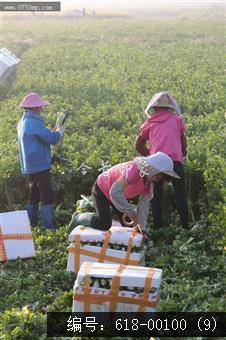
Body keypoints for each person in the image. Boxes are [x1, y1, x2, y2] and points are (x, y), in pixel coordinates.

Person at [134, 91, 189, 229]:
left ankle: (158, 227)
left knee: (156, 196)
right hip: (175, 162)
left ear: (154, 108)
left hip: (157, 164)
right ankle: (185, 226)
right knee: (180, 195)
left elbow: (138, 146)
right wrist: (182, 155)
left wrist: (150, 156)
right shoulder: (176, 120)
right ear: (170, 107)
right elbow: (183, 142)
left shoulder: (149, 122)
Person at [90, 151, 180, 232]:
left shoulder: (150, 184)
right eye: (158, 176)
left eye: (161, 178)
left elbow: (143, 205)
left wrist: (142, 228)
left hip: (119, 196)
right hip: (102, 189)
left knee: (130, 228)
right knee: (104, 224)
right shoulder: (133, 170)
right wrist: (131, 211)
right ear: (152, 168)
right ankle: (82, 219)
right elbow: (115, 192)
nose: (158, 180)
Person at [17, 92, 65, 230]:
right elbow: (51, 139)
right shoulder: (33, 122)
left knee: (34, 195)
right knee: (46, 194)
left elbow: (42, 136)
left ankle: (31, 224)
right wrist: (59, 132)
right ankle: (48, 226)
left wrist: (52, 132)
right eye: (39, 107)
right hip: (40, 164)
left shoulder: (23, 122)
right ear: (35, 108)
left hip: (29, 165)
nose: (41, 109)